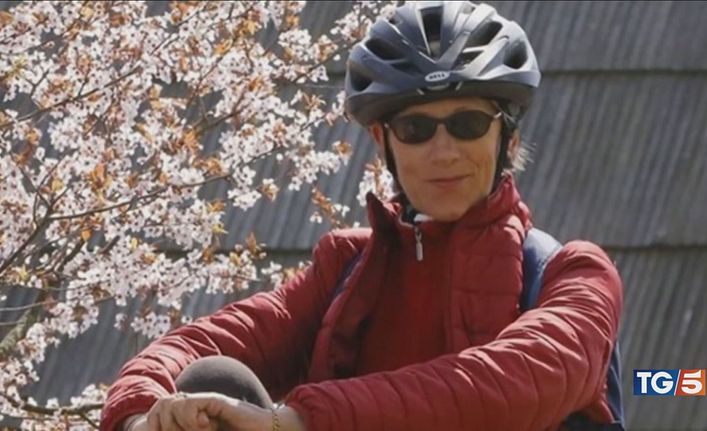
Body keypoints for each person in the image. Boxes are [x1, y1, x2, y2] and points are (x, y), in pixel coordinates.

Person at [101, 1, 624, 430]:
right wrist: (142, 417)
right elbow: (193, 346)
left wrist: (299, 421)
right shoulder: (344, 269)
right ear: (382, 141)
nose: (443, 152)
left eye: (468, 124)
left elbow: (511, 382)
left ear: (506, 136)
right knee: (210, 380)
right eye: (416, 130)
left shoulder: (571, 275)